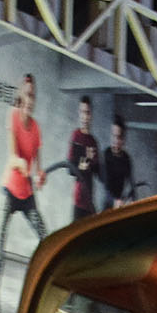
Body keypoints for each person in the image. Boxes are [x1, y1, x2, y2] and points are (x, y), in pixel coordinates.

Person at [0, 73, 48, 313]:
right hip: (9, 191)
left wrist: (40, 176)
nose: (31, 100)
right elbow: (13, 157)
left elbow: (39, 167)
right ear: (21, 96)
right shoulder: (12, 117)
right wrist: (23, 165)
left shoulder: (37, 129)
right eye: (28, 95)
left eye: (34, 96)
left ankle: (40, 291)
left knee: (46, 238)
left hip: (27, 194)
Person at [68, 95, 100, 225]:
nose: (84, 116)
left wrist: (91, 161)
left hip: (89, 198)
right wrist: (85, 161)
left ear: (90, 114)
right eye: (82, 112)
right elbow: (70, 169)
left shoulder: (93, 141)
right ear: (79, 113)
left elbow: (97, 171)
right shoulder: (76, 136)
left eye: (87, 112)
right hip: (78, 199)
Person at [101, 116, 136, 208]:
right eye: (113, 136)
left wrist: (133, 201)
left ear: (123, 139)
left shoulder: (126, 158)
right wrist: (114, 201)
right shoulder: (105, 155)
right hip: (108, 205)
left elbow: (132, 184)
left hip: (121, 203)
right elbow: (106, 186)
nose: (115, 141)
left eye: (119, 137)